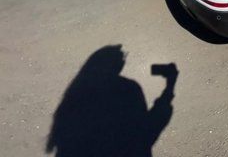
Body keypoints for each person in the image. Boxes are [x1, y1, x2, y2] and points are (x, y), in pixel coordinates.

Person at [46, 45, 178, 157]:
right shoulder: (125, 88)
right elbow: (145, 132)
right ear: (114, 64)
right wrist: (169, 86)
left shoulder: (74, 99)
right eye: (121, 57)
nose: (123, 61)